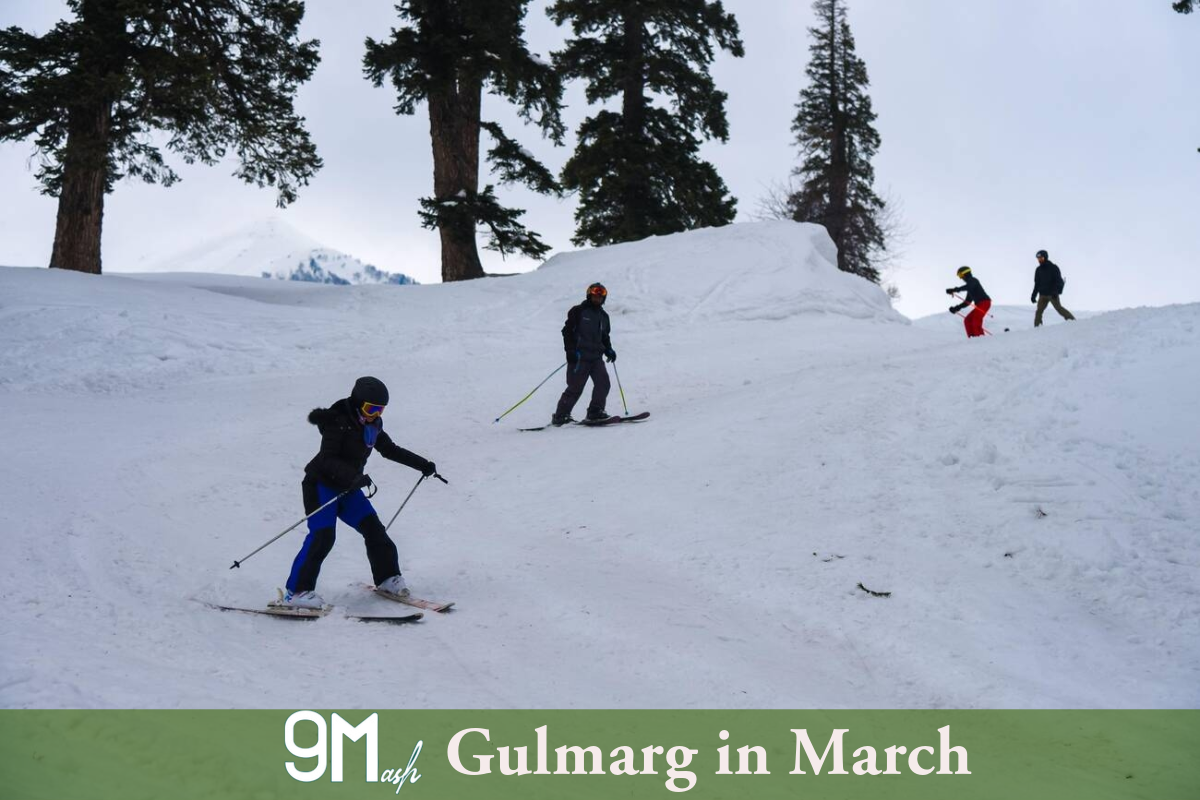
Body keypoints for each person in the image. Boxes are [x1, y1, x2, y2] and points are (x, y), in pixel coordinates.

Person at [280, 376, 437, 609]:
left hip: (347, 488)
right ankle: (297, 592)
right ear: (357, 402)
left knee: (374, 530)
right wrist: (353, 477)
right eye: (370, 408)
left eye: (380, 410)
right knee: (323, 537)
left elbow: (389, 449)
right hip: (320, 485)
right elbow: (327, 459)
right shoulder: (338, 422)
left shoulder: (373, 425)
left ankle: (387, 578)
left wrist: (422, 464)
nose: (374, 414)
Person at [551, 282, 617, 426]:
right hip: (580, 357)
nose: (597, 298)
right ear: (589, 295)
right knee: (575, 388)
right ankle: (561, 416)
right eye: (595, 295)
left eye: (600, 296)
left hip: (596, 358)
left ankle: (595, 411)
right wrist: (570, 351)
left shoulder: (604, 316)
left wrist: (609, 350)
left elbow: (605, 337)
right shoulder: (578, 311)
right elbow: (567, 332)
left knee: (603, 383)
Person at [1031, 249, 1076, 327]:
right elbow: (1037, 284)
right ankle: (1037, 327)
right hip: (1042, 295)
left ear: (1045, 257)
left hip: (1052, 294)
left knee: (1059, 308)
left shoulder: (1053, 267)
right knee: (1039, 311)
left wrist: (1056, 292)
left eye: (1041, 258)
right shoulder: (1038, 270)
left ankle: (1073, 321)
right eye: (1038, 259)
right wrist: (1033, 296)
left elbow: (1058, 281)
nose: (1040, 260)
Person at [946, 266, 992, 338]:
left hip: (985, 302)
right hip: (980, 304)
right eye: (959, 276)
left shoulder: (973, 280)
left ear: (965, 273)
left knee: (975, 320)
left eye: (960, 275)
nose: (960, 278)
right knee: (967, 320)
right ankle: (972, 338)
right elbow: (967, 302)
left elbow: (968, 287)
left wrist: (954, 290)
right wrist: (957, 308)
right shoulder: (970, 286)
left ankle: (980, 338)